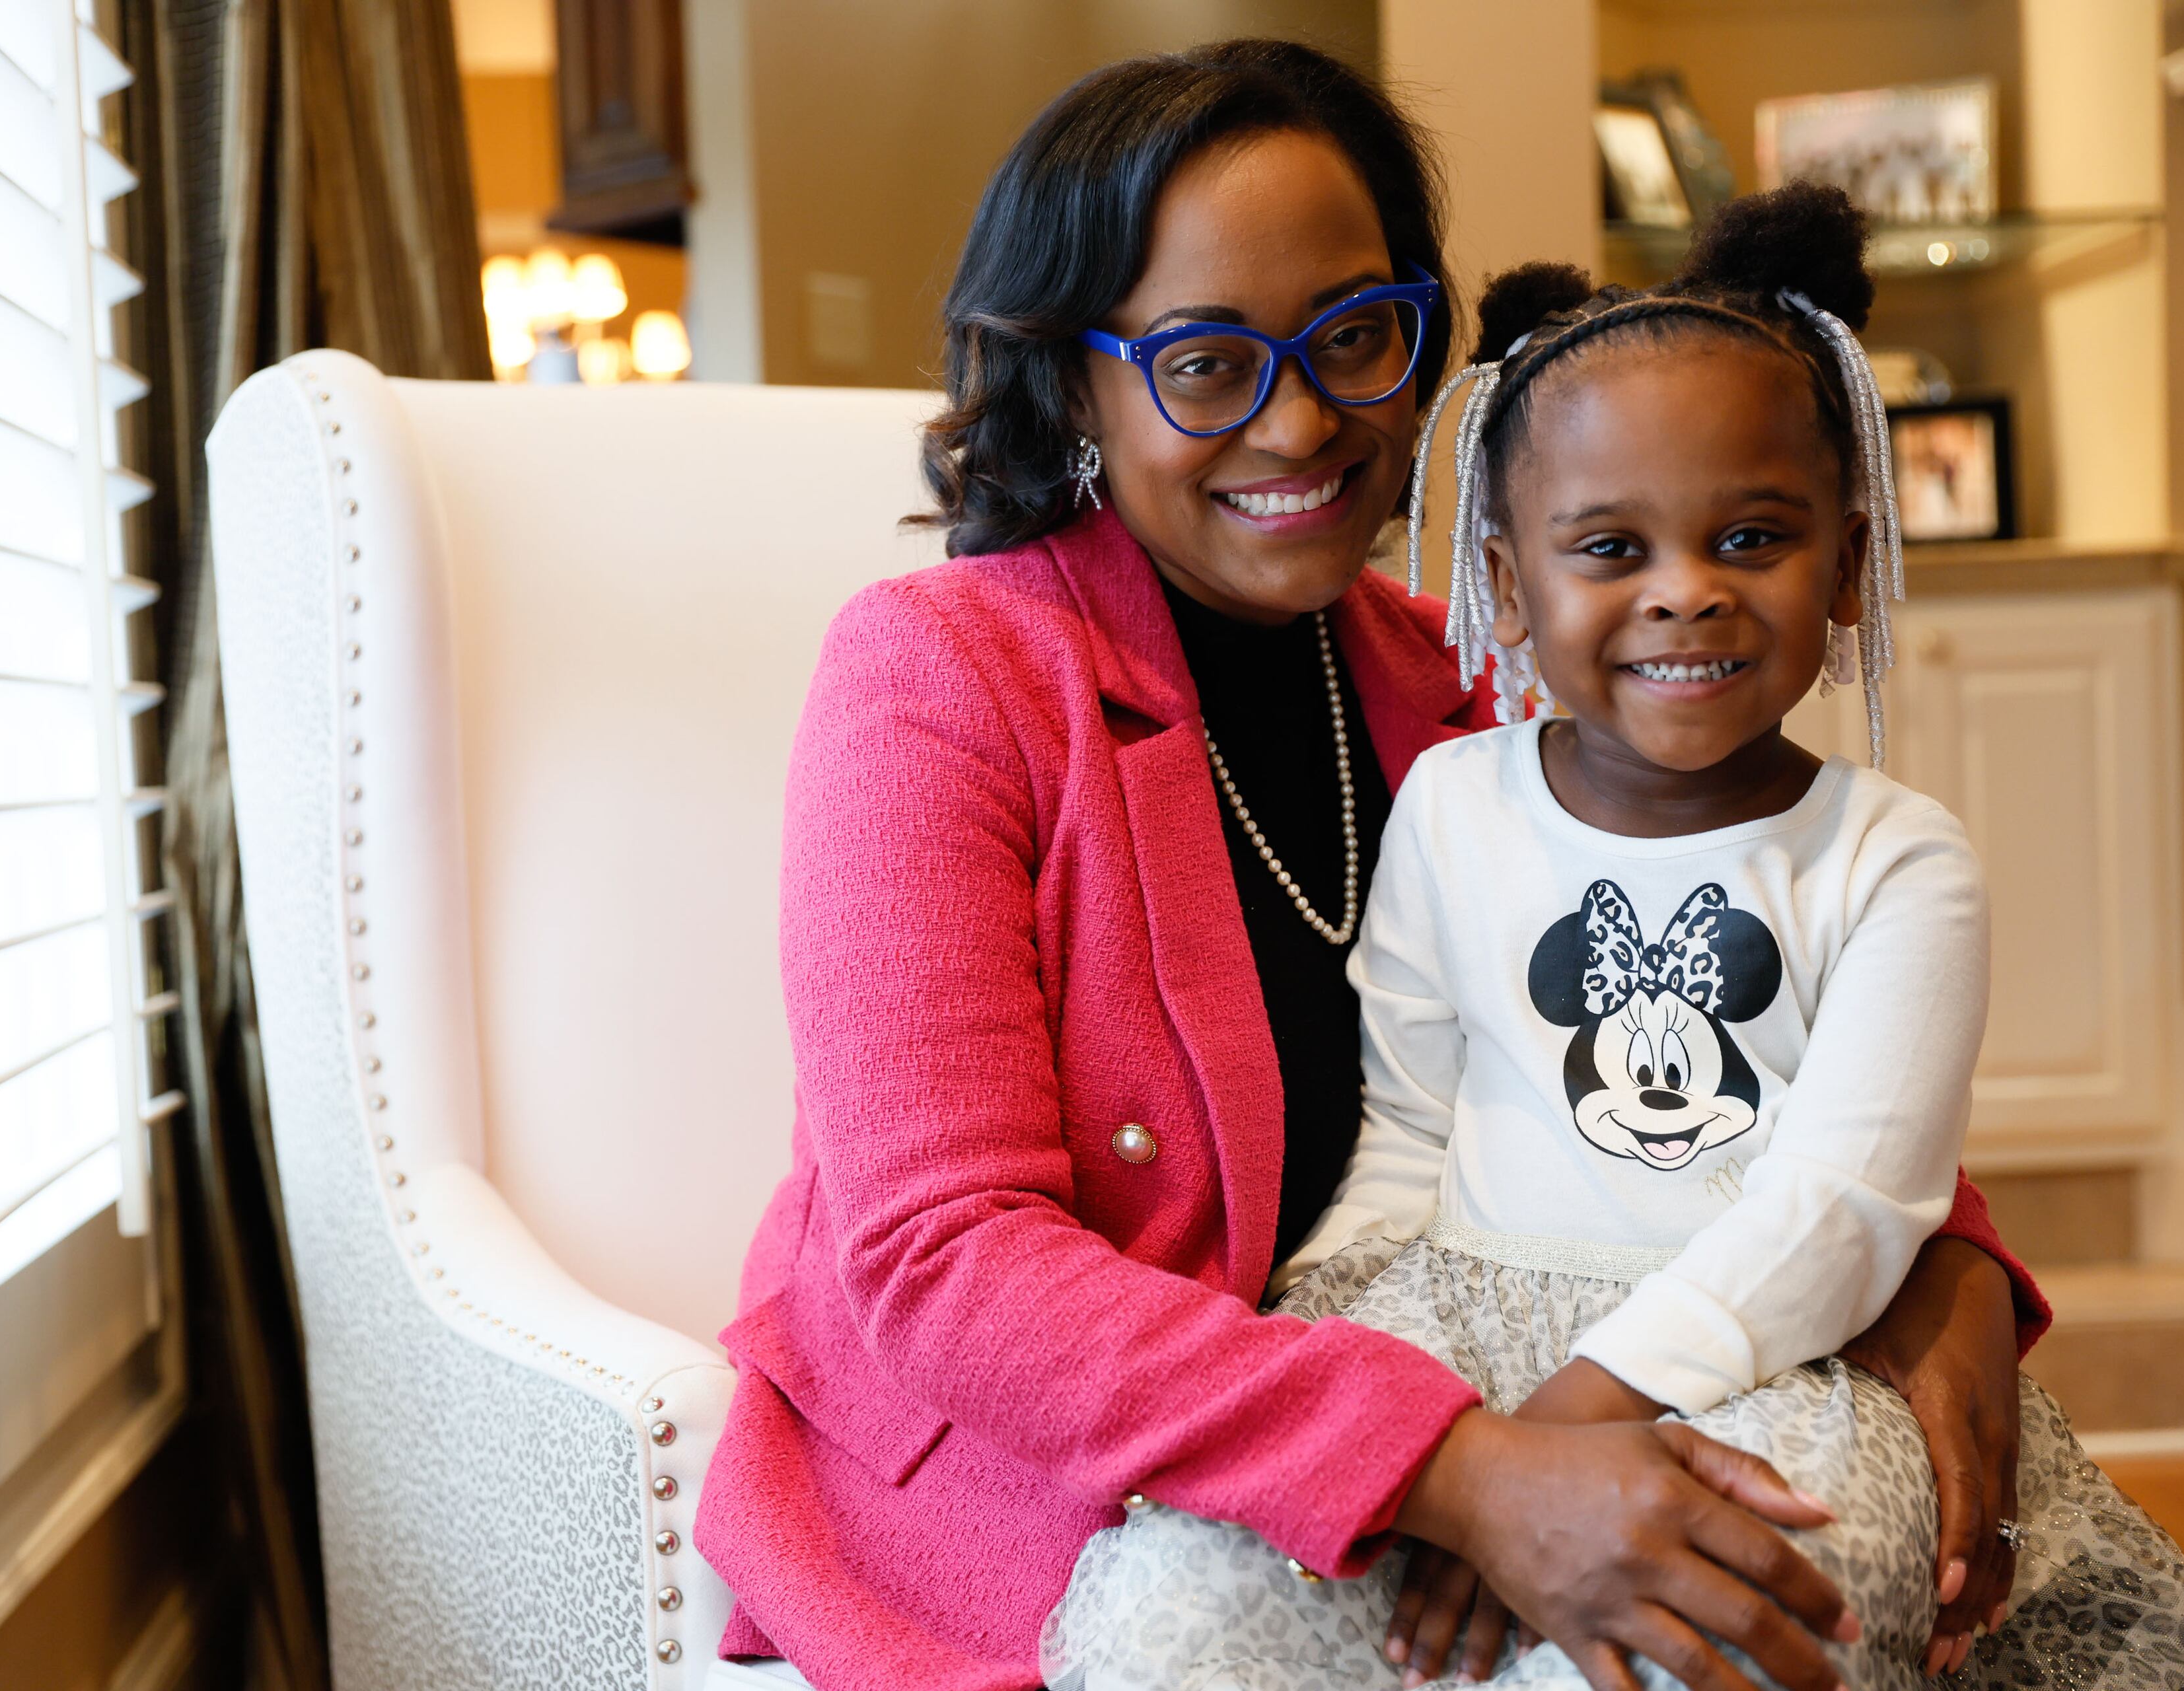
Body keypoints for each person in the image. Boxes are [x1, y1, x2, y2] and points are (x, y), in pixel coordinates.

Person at [695, 42, 2049, 1691]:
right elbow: (944, 1254)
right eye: (1204, 362)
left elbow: (1764, 959)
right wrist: (1462, 1469)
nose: (1301, 417)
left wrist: (1949, 1247)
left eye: (1356, 336)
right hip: (1070, 1476)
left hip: (1508, 1390)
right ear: (1073, 381)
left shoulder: (1466, 684)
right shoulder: (941, 676)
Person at [1038, 186, 2184, 1691]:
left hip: (1766, 1352)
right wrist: (1376, 1398)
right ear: (1508, 584)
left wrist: (1566, 1420)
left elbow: (1841, 1204)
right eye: (1609, 546)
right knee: (1176, 1613)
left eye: (1752, 534)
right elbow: (1407, 1130)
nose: (1685, 587)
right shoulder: (1453, 806)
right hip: (1456, 1311)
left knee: (1748, 1616)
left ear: (1850, 562)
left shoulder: (1897, 861)